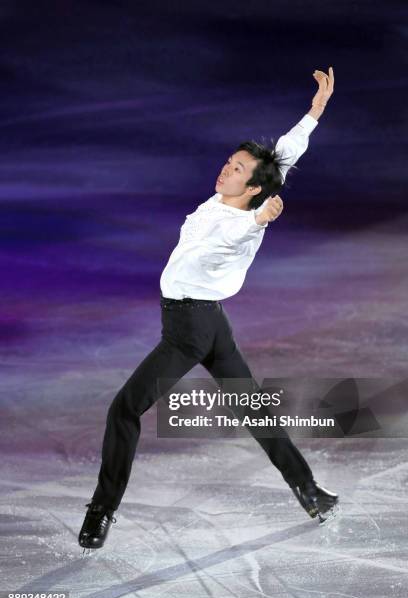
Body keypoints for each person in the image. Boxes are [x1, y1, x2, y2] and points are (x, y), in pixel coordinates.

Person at [79, 68, 338, 551]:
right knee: (255, 411)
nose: (227, 169)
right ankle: (311, 492)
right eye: (230, 161)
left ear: (255, 190)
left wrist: (261, 218)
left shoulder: (241, 219)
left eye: (237, 169)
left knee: (124, 410)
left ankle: (101, 511)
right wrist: (315, 112)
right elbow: (284, 153)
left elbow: (242, 230)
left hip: (189, 328)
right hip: (211, 322)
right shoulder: (227, 198)